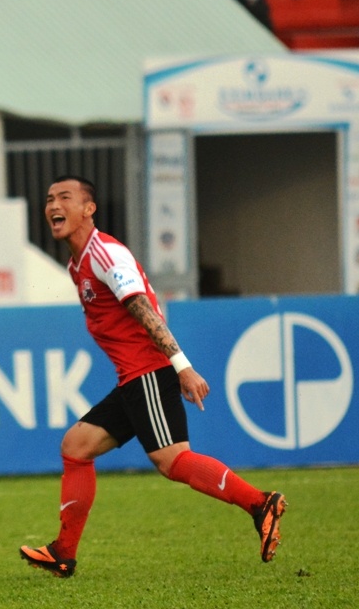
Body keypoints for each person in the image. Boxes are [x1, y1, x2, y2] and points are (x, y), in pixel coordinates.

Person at [19, 176, 287, 578]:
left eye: (65, 197)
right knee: (76, 447)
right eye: (49, 199)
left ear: (89, 209)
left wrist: (182, 366)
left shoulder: (105, 254)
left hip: (148, 371)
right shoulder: (78, 263)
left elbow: (142, 308)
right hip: (133, 377)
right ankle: (63, 553)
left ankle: (259, 503)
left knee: (172, 460)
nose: (54, 205)